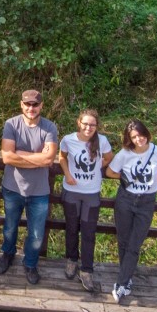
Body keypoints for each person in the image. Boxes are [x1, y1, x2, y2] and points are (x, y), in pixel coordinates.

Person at [0, 90, 59, 285]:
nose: (31, 108)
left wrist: (20, 155)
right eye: (28, 104)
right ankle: (8, 254)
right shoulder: (11, 124)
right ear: (21, 105)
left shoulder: (49, 127)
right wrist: (37, 159)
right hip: (12, 188)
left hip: (39, 191)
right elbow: (7, 157)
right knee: (10, 227)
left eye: (35, 104)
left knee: (37, 234)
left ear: (41, 106)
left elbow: (49, 158)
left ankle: (30, 263)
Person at [104, 119, 157, 303]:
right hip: (125, 199)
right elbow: (110, 172)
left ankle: (121, 282)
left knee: (135, 243)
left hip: (147, 201)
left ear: (146, 134)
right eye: (134, 137)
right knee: (123, 240)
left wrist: (151, 184)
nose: (138, 139)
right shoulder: (125, 154)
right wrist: (124, 178)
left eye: (141, 135)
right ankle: (127, 276)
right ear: (129, 138)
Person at [58, 109, 114, 292]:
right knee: (72, 228)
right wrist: (67, 175)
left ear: (97, 126)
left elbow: (108, 158)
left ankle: (87, 269)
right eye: (85, 124)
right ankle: (71, 260)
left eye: (92, 125)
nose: (89, 127)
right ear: (79, 123)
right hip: (72, 191)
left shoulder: (102, 141)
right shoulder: (68, 140)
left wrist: (98, 168)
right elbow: (62, 157)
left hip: (91, 193)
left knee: (89, 232)